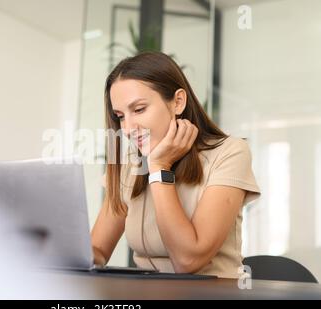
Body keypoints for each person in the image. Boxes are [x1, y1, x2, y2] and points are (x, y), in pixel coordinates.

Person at [91, 51, 260, 278]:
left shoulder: (230, 153)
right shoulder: (130, 166)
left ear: (178, 102)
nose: (128, 128)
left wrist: (160, 168)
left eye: (139, 109)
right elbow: (98, 250)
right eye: (120, 116)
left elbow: (187, 261)